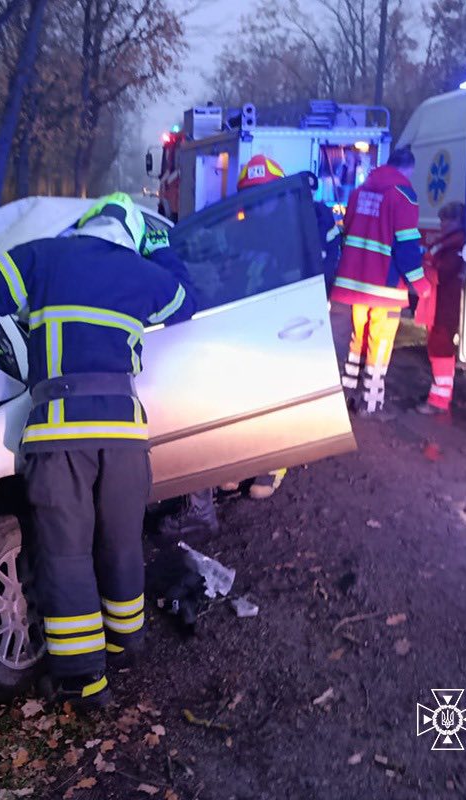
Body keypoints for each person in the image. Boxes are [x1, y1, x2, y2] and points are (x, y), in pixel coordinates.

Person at [0, 193, 195, 710]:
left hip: (59, 435)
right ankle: (124, 641)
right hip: (125, 438)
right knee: (120, 542)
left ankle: (84, 682)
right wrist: (162, 249)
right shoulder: (142, 271)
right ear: (131, 235)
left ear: (85, 225)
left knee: (65, 554)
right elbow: (186, 300)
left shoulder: (41, 256)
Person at [159, 153, 341, 537]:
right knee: (246, 391)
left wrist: (304, 300)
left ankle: (270, 465)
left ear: (278, 191)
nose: (257, 204)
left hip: (292, 317)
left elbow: (324, 266)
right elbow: (227, 264)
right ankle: (238, 461)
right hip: (252, 318)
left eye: (262, 195)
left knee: (280, 392)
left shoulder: (311, 217)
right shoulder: (244, 227)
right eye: (249, 196)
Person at [330, 146, 430, 415]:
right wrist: (421, 284)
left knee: (356, 341)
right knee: (380, 344)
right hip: (384, 286)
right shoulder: (403, 195)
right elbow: (407, 245)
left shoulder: (360, 192)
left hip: (356, 283)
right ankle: (371, 405)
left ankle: (346, 394)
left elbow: (349, 230)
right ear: (408, 169)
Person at [415, 201, 466, 415]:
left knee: (441, 350)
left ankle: (439, 400)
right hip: (438, 303)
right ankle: (438, 395)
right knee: (438, 349)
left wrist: (426, 267)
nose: (442, 224)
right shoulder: (450, 242)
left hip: (443, 304)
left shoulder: (455, 245)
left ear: (457, 221)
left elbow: (442, 273)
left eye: (446, 220)